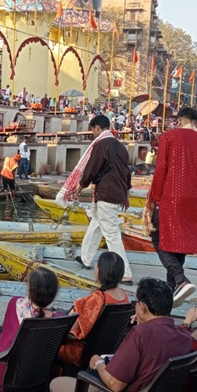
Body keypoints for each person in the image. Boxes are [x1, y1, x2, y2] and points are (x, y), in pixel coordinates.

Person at [50, 277, 193, 392]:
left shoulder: (140, 334)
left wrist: (98, 363)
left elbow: (115, 385)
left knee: (56, 385)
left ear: (143, 307)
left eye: (136, 303)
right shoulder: (185, 337)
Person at [146, 107, 197, 306]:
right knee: (179, 241)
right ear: (196, 122)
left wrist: (154, 198)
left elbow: (161, 169)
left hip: (171, 195)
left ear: (180, 121)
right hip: (194, 198)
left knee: (158, 237)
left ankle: (180, 279)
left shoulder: (169, 137)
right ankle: (172, 290)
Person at [58, 114, 133, 283]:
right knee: (96, 224)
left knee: (111, 233)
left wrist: (80, 187)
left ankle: (125, 272)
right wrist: (127, 194)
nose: (93, 134)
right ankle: (86, 258)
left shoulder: (101, 144)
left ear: (97, 128)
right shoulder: (121, 147)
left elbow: (91, 168)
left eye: (93, 131)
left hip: (106, 193)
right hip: (116, 192)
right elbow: (126, 173)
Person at [58, 252, 130, 369]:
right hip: (108, 349)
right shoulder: (124, 296)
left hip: (85, 353)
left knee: (48, 346)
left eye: (97, 264)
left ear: (101, 271)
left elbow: (72, 328)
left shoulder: (97, 298)